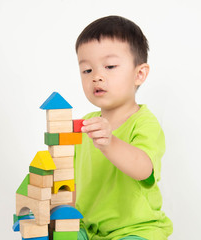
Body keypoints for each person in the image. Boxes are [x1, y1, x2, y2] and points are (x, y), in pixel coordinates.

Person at [74, 16, 173, 240]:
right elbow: (68, 178)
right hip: (89, 229)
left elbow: (144, 170)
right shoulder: (85, 124)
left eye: (110, 67)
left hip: (136, 230)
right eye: (87, 70)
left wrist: (110, 143)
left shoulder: (144, 122)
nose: (97, 76)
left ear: (139, 74)